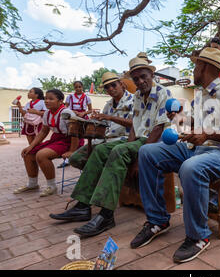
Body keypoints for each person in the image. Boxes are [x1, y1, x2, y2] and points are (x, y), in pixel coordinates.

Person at [130, 47, 220, 263]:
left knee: (191, 167)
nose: (193, 70)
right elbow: (194, 127)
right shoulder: (201, 96)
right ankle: (158, 220)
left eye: (195, 66)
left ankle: (198, 237)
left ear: (204, 67)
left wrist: (207, 134)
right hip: (197, 149)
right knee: (147, 152)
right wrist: (177, 118)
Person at [49, 55, 171, 238]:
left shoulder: (163, 93)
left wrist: (139, 156)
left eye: (143, 76)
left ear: (151, 74)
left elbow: (159, 128)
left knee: (118, 151)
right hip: (135, 138)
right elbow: (135, 125)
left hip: (154, 142)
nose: (140, 81)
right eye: (136, 78)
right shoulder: (138, 95)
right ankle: (83, 205)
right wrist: (131, 146)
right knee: (98, 151)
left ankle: (106, 215)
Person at [14, 89, 83, 197]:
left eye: (51, 99)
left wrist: (72, 151)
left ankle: (52, 186)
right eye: (46, 98)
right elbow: (43, 132)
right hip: (57, 139)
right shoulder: (47, 113)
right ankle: (32, 184)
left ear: (60, 101)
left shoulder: (66, 113)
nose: (46, 101)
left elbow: (75, 134)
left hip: (71, 141)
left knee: (41, 155)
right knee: (28, 153)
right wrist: (30, 146)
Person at [68, 71, 134, 170]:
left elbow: (135, 124)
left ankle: (95, 180)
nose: (110, 88)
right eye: (107, 87)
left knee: (98, 152)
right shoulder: (108, 104)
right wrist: (95, 121)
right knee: (75, 159)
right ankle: (95, 177)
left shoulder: (134, 100)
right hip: (104, 141)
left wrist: (110, 117)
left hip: (123, 140)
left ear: (121, 84)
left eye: (113, 85)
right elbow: (104, 124)